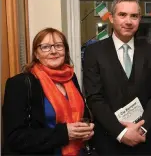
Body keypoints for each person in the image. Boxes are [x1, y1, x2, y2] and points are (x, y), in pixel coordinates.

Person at [83, 0, 151, 155]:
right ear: (112, 18)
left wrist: (141, 128)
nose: (128, 21)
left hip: (145, 140)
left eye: (134, 16)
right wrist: (121, 133)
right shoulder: (94, 52)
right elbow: (94, 98)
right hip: (109, 141)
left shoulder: (149, 50)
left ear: (139, 19)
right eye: (122, 15)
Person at [2, 27, 94, 155]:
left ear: (65, 51)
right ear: (36, 54)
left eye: (58, 46)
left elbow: (82, 115)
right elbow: (15, 137)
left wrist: (86, 130)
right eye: (45, 47)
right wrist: (64, 133)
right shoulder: (20, 84)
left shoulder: (70, 77)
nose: (53, 51)